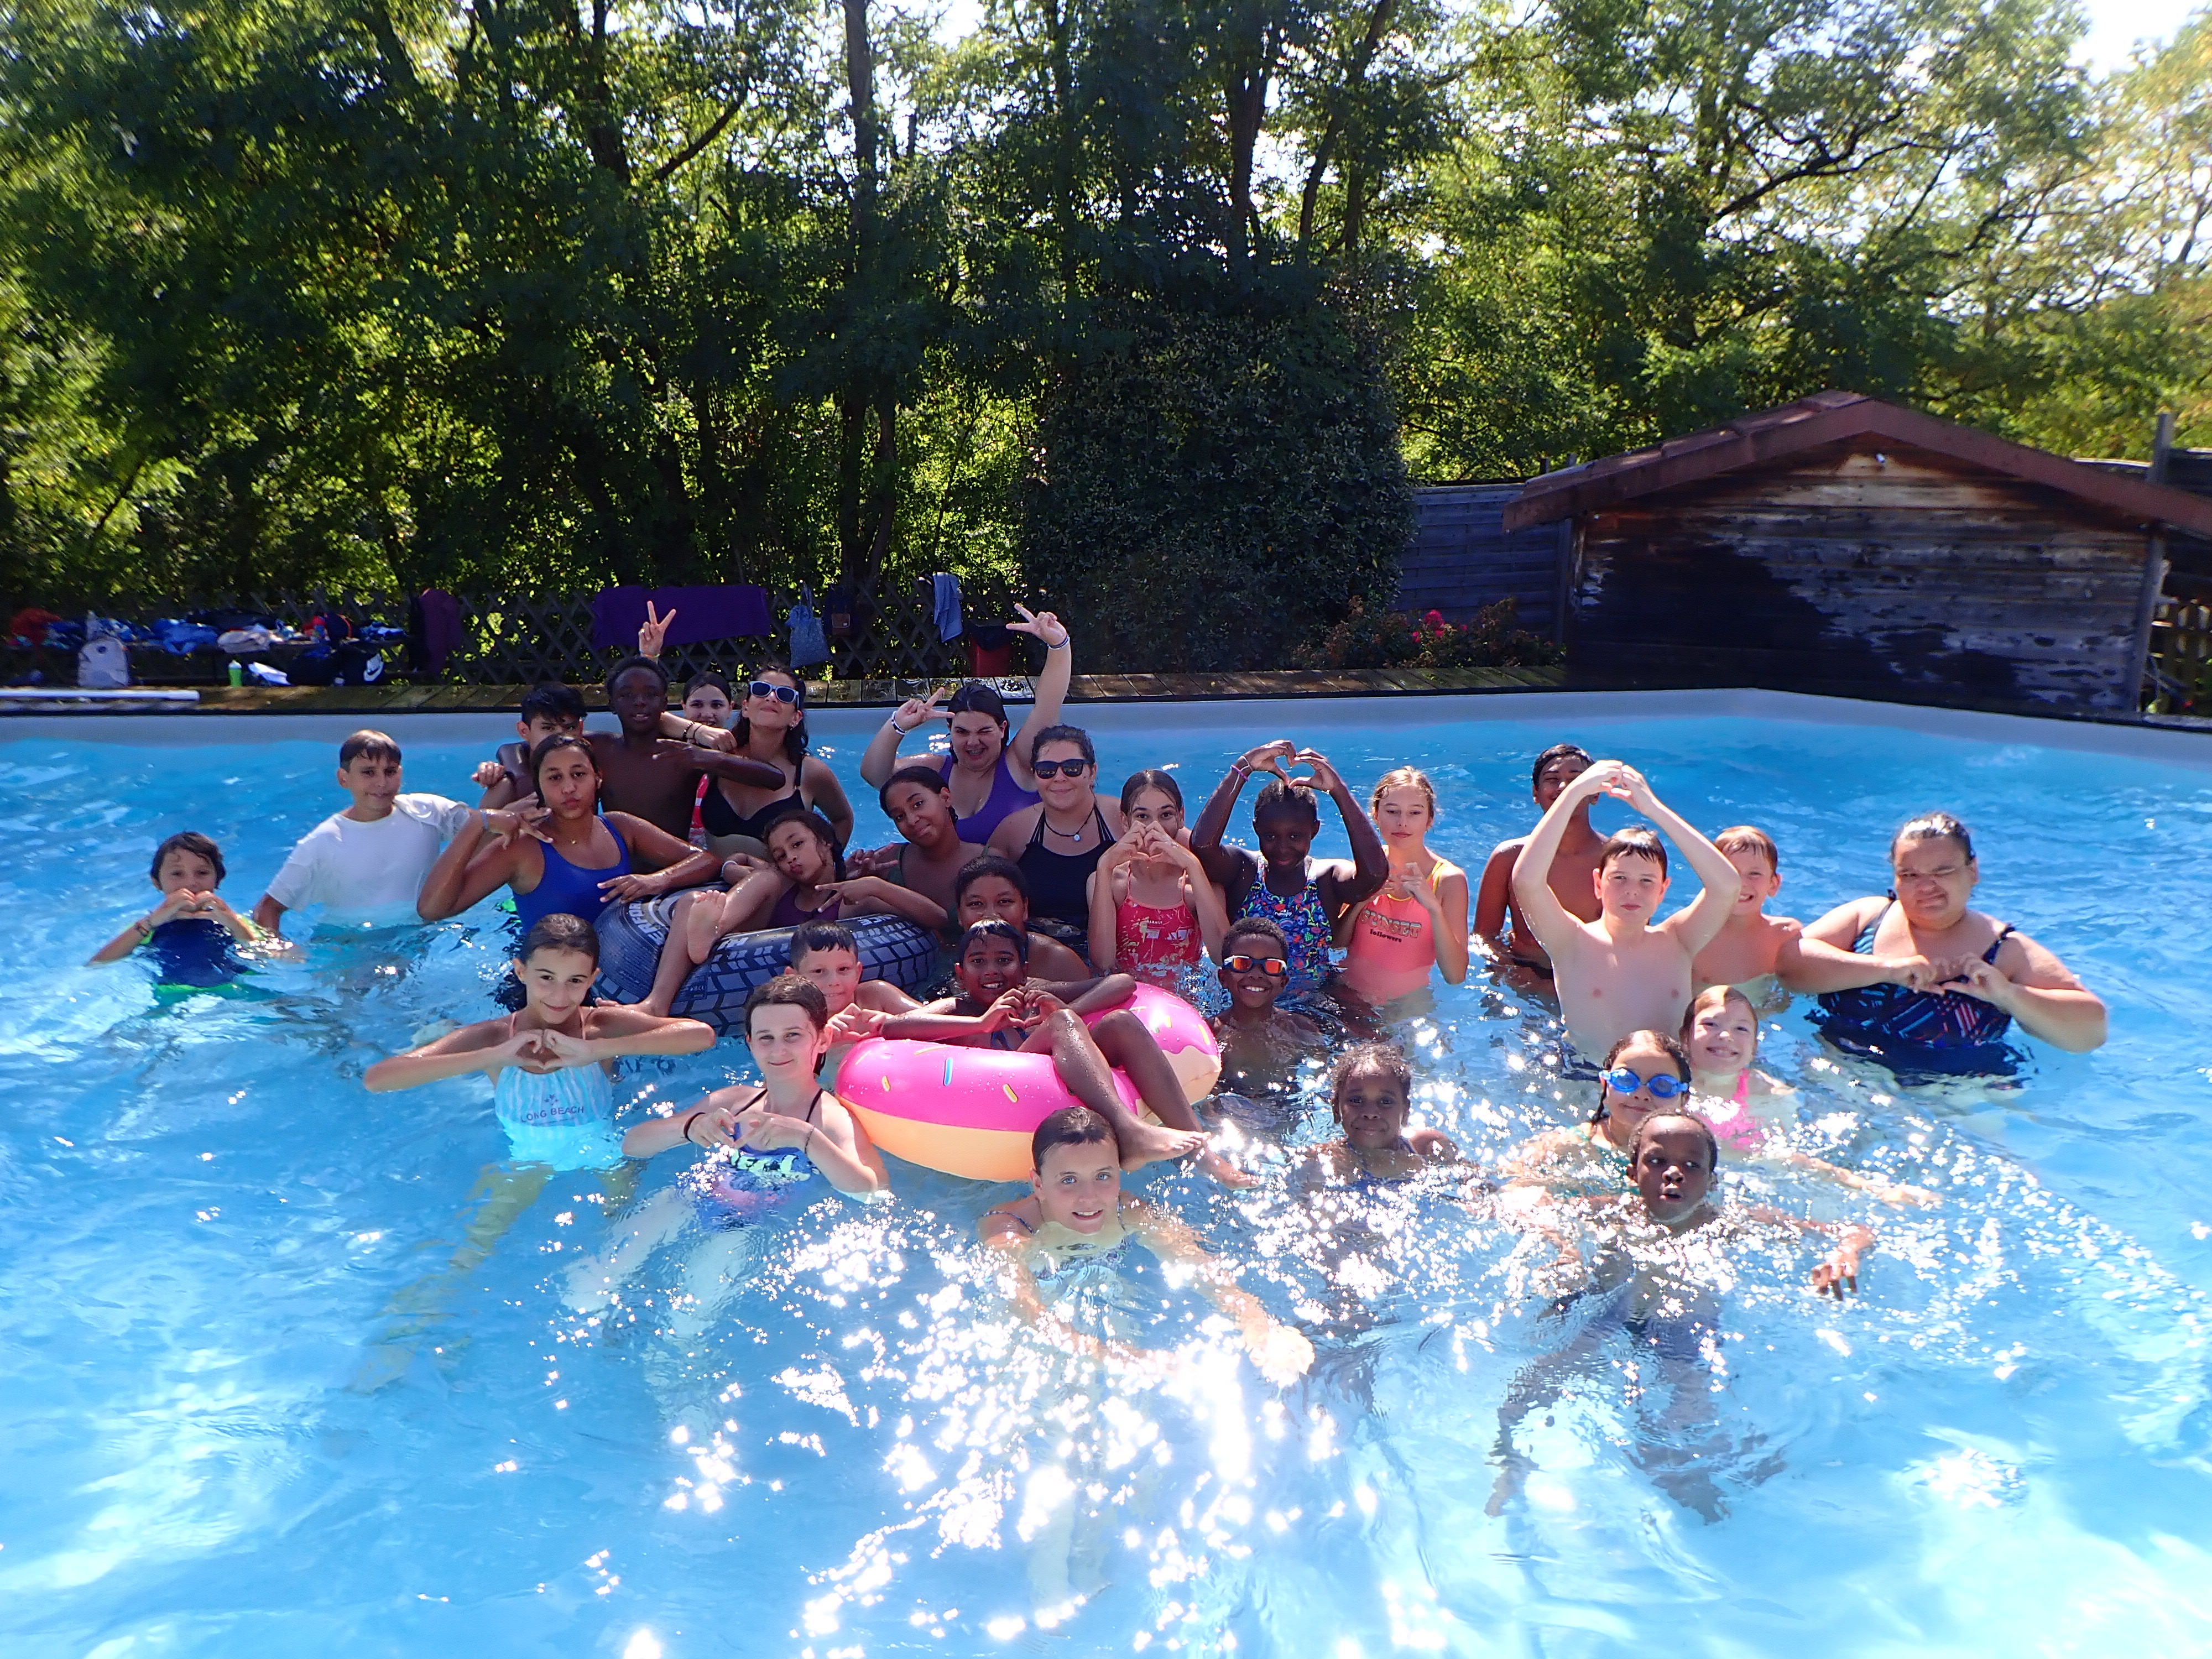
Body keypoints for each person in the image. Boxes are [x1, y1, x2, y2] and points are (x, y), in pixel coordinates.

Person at [1489, 1109, 1875, 1519]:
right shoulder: (1610, 1211)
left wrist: (1846, 1252)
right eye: (1657, 1161)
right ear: (1631, 1172)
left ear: (1712, 1182)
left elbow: (1854, 1230)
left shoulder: (1726, 1223)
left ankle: (1703, 1484)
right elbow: (1522, 1208)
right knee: (1529, 1389)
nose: (1674, 1173)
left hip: (1682, 1331)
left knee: (1688, 1417)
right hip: (1608, 1313)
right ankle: (1510, 1460)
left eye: (1692, 1166)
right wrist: (1561, 1246)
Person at [565, 972, 891, 1316]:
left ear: (822, 1040)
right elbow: (631, 1145)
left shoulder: (829, 1119)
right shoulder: (735, 1102)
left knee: (686, 1321)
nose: (778, 1049)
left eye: (793, 1036)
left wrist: (806, 1139)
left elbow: (873, 1190)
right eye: (766, 1038)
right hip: (688, 1199)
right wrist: (689, 1128)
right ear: (750, 1043)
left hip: (747, 1229)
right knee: (593, 1286)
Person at [978, 1105, 1313, 1378]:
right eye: (1069, 1181)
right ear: (1037, 1184)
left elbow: (1197, 1265)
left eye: (1103, 1177)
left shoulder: (1129, 1212)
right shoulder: (1009, 1229)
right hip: (1049, 1337)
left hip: (1110, 1298)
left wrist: (1255, 1322)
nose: (1090, 1197)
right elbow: (1023, 1309)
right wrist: (1119, 1358)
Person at [882, 920, 1235, 1177]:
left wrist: (1066, 1006)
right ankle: (1129, 1132)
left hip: (1053, 1081)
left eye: (1004, 960)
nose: (991, 970)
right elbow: (894, 1027)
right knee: (1060, 1023)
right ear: (960, 972)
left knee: (1120, 1025)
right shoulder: (958, 1009)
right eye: (978, 962)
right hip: (994, 1101)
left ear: (1024, 969)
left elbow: (1123, 983)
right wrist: (982, 1024)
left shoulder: (1032, 994)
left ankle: (1202, 1151)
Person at [363, 912, 716, 1146]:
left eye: (575, 981)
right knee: (476, 1248)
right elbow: (379, 1079)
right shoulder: (495, 1037)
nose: (560, 996)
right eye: (546, 978)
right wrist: (491, 1057)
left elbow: (701, 1035)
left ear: (593, 980)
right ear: (521, 972)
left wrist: (597, 1051)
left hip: (602, 1143)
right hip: (524, 1158)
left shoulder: (598, 1028)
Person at [1802, 812, 2107, 1067]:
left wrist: (2009, 995)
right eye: (1909, 875)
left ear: (1972, 871)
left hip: (1955, 1094)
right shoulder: (1866, 918)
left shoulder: (2005, 951)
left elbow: (2090, 1034)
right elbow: (1789, 963)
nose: (1926, 887)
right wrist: (1885, 970)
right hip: (1839, 1068)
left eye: (1943, 871)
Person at [1508, 759, 1740, 1065]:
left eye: (1647, 881)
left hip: (1666, 1082)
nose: (1632, 891)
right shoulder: (1571, 942)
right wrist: (1574, 792)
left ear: (1663, 891)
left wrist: (1655, 809)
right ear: (1598, 884)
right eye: (1619, 879)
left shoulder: (1678, 941)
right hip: (1588, 1081)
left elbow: (1726, 886)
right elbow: (1527, 881)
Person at [638, 808, 946, 1017]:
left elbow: (937, 918)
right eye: (781, 855)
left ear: (826, 844)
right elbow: (742, 861)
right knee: (696, 900)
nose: (791, 859)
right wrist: (732, 868)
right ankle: (699, 947)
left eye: (798, 844)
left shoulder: (852, 899)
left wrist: (876, 886)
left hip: (819, 997)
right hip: (745, 938)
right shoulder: (780, 883)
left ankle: (709, 932)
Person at [415, 733, 721, 929]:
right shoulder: (524, 849)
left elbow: (707, 861)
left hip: (615, 975)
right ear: (540, 787)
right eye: (555, 778)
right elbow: (433, 909)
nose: (569, 788)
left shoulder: (620, 828)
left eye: (578, 774)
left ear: (597, 778)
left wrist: (657, 880)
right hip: (546, 989)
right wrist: (476, 823)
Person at [1681, 987, 1938, 1207]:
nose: (1726, 1036)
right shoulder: (1667, 1084)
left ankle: (1878, 1190)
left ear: (1754, 1049)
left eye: (1741, 1029)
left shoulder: (1772, 1092)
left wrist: (1871, 1188)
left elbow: (1784, 1157)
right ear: (1684, 1037)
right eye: (1710, 1024)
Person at [1190, 740, 1389, 999]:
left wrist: (1339, 791)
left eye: (1295, 837)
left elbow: (1374, 876)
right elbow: (1202, 845)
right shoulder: (1245, 872)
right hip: (1248, 1002)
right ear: (1256, 830)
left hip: (1314, 1004)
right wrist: (1243, 767)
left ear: (1314, 831)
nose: (1283, 848)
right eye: (1271, 837)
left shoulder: (1324, 878)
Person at [858, 606, 1074, 841]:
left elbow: (1048, 705)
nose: (973, 742)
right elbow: (876, 776)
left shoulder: (1019, 763)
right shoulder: (935, 772)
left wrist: (1059, 645)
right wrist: (897, 726)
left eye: (984, 731)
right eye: (962, 731)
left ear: (1002, 730)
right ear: (949, 730)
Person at [254, 730, 471, 936]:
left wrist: (494, 779)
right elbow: (267, 908)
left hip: (418, 935)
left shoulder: (427, 812)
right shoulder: (324, 842)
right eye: (368, 772)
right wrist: (280, 952)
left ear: (400, 774)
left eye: (390, 772)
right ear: (343, 779)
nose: (381, 783)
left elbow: (486, 828)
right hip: (350, 943)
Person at [654, 660, 854, 858]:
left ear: (796, 718)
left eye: (784, 695)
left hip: (780, 886)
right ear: (746, 707)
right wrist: (699, 730)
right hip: (712, 882)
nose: (771, 697)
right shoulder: (720, 754)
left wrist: (826, 862)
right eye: (761, 690)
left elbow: (842, 819)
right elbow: (653, 719)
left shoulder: (810, 772)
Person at [594, 655, 774, 840]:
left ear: (664, 703)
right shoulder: (599, 748)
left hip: (675, 863)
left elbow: (774, 779)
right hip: (617, 865)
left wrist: (704, 757)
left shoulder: (682, 755)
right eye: (627, 695)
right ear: (612, 704)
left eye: (650, 695)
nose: (639, 701)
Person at [1334, 766, 1470, 1004]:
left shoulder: (1448, 880)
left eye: (1415, 813)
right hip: (1347, 996)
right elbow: (1337, 943)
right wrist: (1363, 899)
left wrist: (1433, 909)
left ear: (1429, 820)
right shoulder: (1366, 867)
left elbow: (1455, 975)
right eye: (1392, 811)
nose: (1402, 823)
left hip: (1404, 1008)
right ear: (1375, 815)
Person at [986, 724, 1125, 950]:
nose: (1059, 778)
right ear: (1035, 776)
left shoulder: (1122, 820)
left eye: (1072, 768)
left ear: (1092, 772)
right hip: (1041, 958)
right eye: (1047, 770)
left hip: (1112, 958)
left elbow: (1189, 847)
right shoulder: (1015, 830)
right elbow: (985, 895)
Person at [1087, 769, 1230, 987]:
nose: (1155, 828)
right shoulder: (1110, 881)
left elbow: (1222, 957)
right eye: (1142, 816)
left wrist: (1193, 865)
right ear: (1125, 822)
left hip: (1183, 1004)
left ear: (1181, 817)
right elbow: (1103, 963)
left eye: (1166, 815)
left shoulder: (1197, 887)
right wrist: (1105, 865)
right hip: (1126, 997)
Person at [1473, 743, 1600, 977]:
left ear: (1595, 793)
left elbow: (1633, 940)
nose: (1564, 787)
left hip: (1593, 984)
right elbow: (1484, 938)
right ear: (1535, 793)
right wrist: (1515, 976)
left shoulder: (1614, 858)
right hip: (1525, 982)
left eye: (1576, 779)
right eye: (1552, 779)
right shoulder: (1509, 857)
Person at [89, 831, 266, 986]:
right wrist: (150, 922)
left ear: (217, 879)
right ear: (157, 883)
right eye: (177, 874)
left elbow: (274, 959)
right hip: (173, 996)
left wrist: (233, 923)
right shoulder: (147, 927)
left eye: (202, 873)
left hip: (236, 990)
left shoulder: (236, 922)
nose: (191, 883)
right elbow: (98, 964)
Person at [844, 765, 990, 930]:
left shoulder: (989, 863)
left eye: (918, 804)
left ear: (945, 797)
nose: (912, 820)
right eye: (900, 816)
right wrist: (848, 877)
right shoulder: (886, 863)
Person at [1299, 1042, 1459, 1187]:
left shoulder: (1427, 1146)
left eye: (1385, 1101)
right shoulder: (1324, 1161)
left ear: (1405, 1112)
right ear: (1336, 1109)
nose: (1370, 1113)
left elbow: (1474, 1181)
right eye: (1356, 1100)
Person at [1207, 916, 1326, 1099]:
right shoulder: (1209, 1034)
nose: (1256, 975)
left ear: (1283, 982)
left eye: (1271, 966)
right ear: (1223, 978)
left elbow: (1322, 1087)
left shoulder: (1301, 1029)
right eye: (1242, 964)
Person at [951, 854, 1091, 981]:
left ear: (1025, 908)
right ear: (960, 914)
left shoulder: (1059, 962)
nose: (991, 915)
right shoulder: (954, 960)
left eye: (1004, 902)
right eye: (976, 904)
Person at [473, 682, 587, 810]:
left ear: (581, 729)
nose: (560, 737)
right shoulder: (509, 785)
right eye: (548, 728)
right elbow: (478, 826)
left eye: (570, 728)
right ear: (524, 731)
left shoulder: (598, 763)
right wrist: (509, 815)